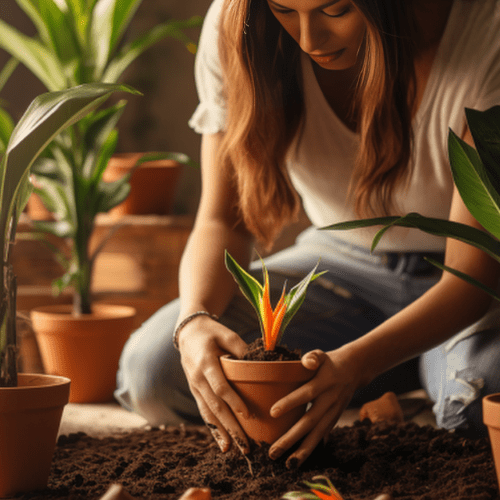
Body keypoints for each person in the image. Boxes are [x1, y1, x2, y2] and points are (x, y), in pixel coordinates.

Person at [115, 0, 500, 468]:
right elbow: (221, 221)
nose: (309, 39)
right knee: (154, 371)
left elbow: (468, 279)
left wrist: (356, 365)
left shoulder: (487, 33)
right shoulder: (241, 26)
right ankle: (404, 378)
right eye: (283, 9)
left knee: (477, 408)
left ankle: (408, 375)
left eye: (335, 9)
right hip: (339, 265)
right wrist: (193, 321)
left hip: (471, 281)